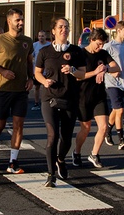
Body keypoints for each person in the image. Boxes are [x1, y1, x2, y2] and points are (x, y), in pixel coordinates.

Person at [35, 17, 87, 187]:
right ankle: (51, 175)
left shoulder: (76, 51)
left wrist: (72, 70)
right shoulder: (44, 52)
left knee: (66, 138)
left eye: (66, 27)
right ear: (54, 31)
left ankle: (61, 159)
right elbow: (37, 73)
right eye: (60, 27)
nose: (64, 29)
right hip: (49, 97)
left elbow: (83, 73)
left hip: (70, 98)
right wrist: (44, 81)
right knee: (52, 136)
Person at [0, 9, 34, 174]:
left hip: (21, 90)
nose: (21, 23)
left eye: (22, 20)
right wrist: (1, 70)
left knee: (19, 125)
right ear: (9, 21)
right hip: (3, 89)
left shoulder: (27, 41)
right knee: (0, 124)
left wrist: (31, 78)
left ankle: (13, 162)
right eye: (18, 20)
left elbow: (29, 62)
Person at [73, 28, 119, 168]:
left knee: (104, 127)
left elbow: (116, 68)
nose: (100, 47)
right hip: (83, 96)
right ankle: (77, 152)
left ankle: (94, 154)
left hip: (99, 96)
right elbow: (77, 76)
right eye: (98, 44)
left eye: (102, 44)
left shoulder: (103, 54)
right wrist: (95, 72)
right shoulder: (81, 54)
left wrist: (105, 68)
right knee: (85, 129)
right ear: (91, 40)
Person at [103, 20, 124, 150]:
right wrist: (110, 72)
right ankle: (121, 139)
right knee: (120, 110)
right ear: (118, 30)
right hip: (111, 82)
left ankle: (107, 131)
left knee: (116, 110)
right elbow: (102, 64)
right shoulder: (108, 47)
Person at [31, 30, 49, 111]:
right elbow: (31, 57)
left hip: (47, 71)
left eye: (42, 36)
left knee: (47, 87)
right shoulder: (35, 45)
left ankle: (47, 103)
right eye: (39, 36)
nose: (41, 38)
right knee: (37, 87)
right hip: (37, 71)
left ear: (45, 37)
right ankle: (36, 102)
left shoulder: (49, 45)